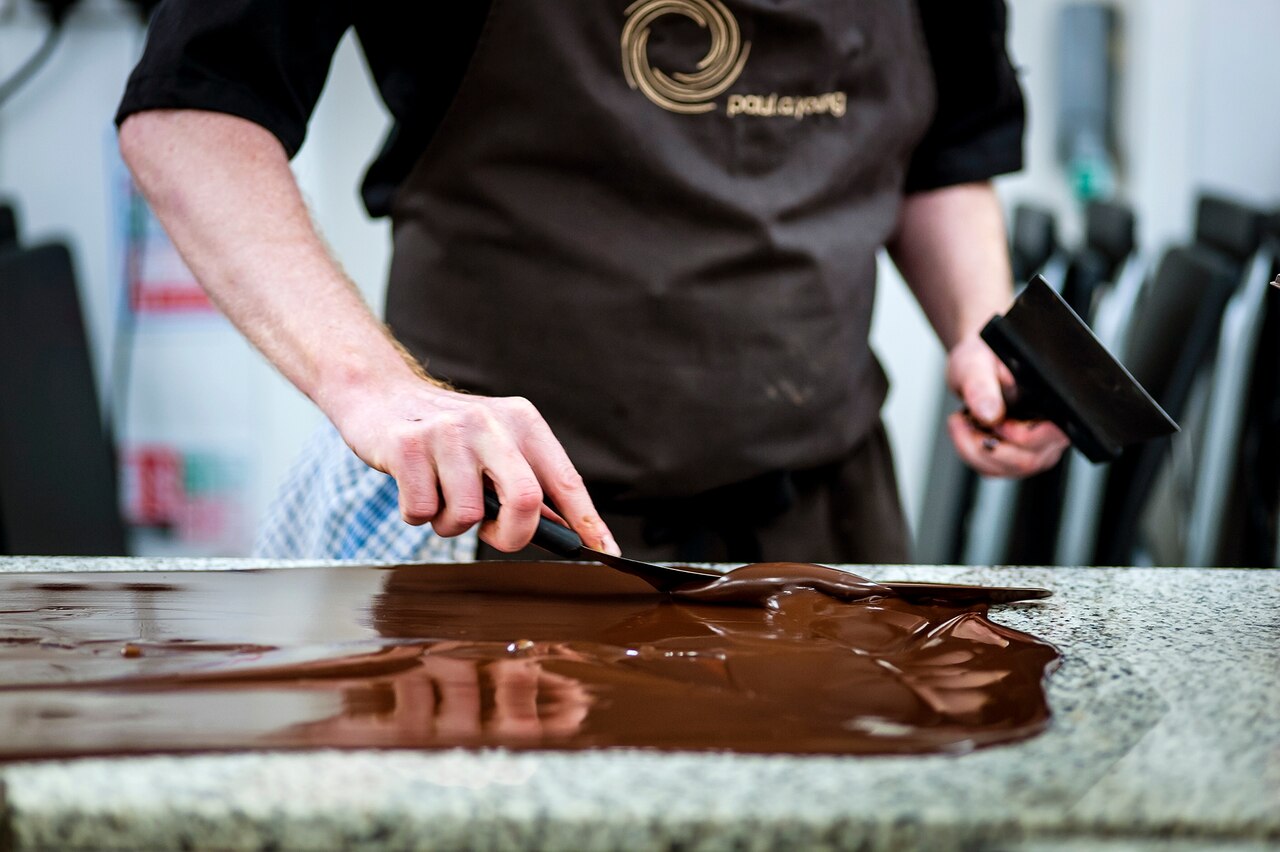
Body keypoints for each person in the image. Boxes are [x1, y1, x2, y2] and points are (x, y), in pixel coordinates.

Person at [115, 1, 1068, 565]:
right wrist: (375, 388)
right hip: (497, 527)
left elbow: (944, 148)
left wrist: (979, 329)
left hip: (827, 522)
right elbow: (193, 108)